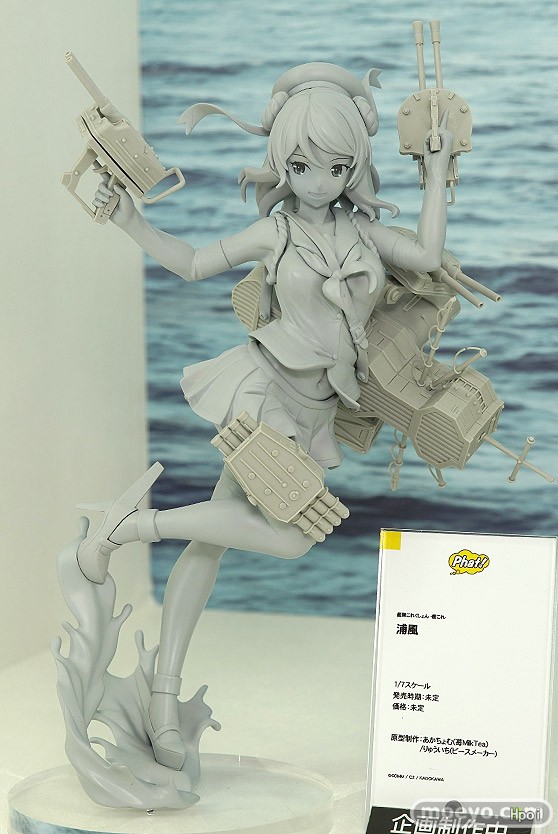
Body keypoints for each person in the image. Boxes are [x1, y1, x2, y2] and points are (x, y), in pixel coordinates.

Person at [78, 62, 453, 770]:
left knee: (213, 539)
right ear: (282, 160)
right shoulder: (274, 233)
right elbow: (193, 263)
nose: (318, 180)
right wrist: (131, 220)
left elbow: (429, 256)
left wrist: (435, 173)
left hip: (320, 407)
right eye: (302, 165)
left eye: (335, 166)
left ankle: (163, 698)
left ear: (354, 164)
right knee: (291, 536)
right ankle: (130, 528)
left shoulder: (366, 235)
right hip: (265, 389)